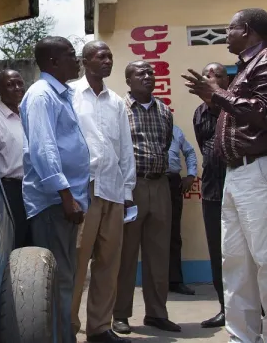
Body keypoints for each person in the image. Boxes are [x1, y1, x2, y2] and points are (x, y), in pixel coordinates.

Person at [182, 8, 267, 343]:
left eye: (230, 28)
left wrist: (216, 95)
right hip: (239, 174)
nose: (225, 33)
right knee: (236, 264)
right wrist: (218, 96)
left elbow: (266, 114)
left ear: (246, 30)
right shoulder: (248, 68)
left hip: (263, 170)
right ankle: (242, 337)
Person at [21, 36, 90, 343]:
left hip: (66, 202)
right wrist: (65, 196)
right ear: (52, 62)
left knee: (66, 277)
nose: (77, 60)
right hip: (53, 204)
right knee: (57, 280)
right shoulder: (41, 95)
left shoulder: (60, 94)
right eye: (71, 55)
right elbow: (43, 149)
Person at [70, 41, 136, 343]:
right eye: (101, 56)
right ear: (85, 61)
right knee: (78, 263)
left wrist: (128, 190)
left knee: (109, 263)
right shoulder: (70, 95)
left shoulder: (116, 102)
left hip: (113, 189)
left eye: (109, 56)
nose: (107, 60)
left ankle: (99, 327)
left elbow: (125, 148)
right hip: (84, 190)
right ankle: (69, 326)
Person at [113, 61, 180, 335]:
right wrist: (125, 191)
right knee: (126, 254)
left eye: (151, 72)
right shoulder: (119, 108)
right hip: (132, 187)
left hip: (160, 185)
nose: (148, 76)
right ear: (128, 80)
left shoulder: (164, 109)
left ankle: (156, 313)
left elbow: (164, 144)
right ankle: (120, 314)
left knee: (159, 254)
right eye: (141, 73)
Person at [192, 62, 229, 329]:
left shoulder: (235, 107)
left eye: (218, 75)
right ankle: (225, 308)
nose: (212, 78)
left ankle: (257, 308)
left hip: (240, 185)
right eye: (208, 74)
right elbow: (204, 146)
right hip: (212, 190)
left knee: (246, 252)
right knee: (218, 252)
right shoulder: (198, 113)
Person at [0, 69, 30, 249]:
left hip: (32, 188)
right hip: (10, 191)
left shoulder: (27, 115)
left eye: (19, 83)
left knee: (32, 243)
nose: (17, 88)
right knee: (14, 242)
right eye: (10, 85)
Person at [166, 124, 198, 296]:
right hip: (148, 181)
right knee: (149, 234)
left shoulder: (175, 130)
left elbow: (190, 152)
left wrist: (191, 175)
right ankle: (155, 283)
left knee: (173, 234)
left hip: (172, 183)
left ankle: (175, 280)